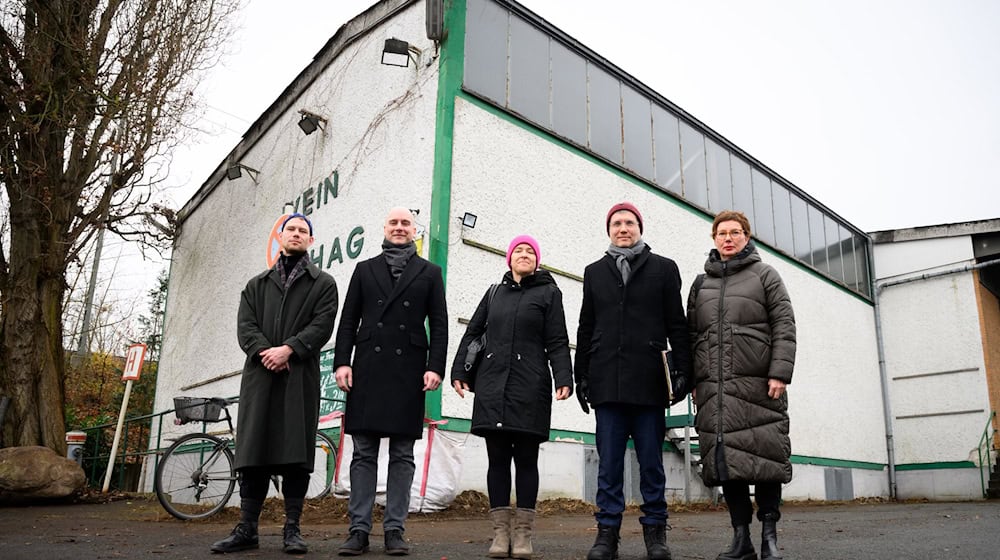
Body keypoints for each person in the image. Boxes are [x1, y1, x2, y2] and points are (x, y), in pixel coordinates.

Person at [212, 212, 340, 554]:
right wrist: (265, 352)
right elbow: (246, 326)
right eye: (291, 230)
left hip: (299, 377)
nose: (296, 235)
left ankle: (292, 530)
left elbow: (323, 324)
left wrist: (289, 350)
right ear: (280, 238)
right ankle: (247, 529)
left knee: (296, 453)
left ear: (311, 241)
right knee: (253, 451)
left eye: (303, 231)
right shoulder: (256, 285)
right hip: (259, 377)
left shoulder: (323, 283)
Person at [574, 202, 692, 560]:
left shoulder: (663, 269)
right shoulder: (595, 272)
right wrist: (582, 377)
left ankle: (656, 535)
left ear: (640, 227)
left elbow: (677, 323)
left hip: (649, 383)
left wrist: (684, 370)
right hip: (607, 383)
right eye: (616, 223)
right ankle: (606, 535)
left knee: (651, 463)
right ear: (608, 230)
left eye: (629, 222)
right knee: (608, 465)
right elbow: (586, 326)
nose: (623, 228)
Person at [333, 207, 448, 556]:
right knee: (363, 452)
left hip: (409, 370)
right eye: (394, 223)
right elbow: (349, 318)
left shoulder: (429, 272)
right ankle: (358, 530)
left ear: (415, 230)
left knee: (402, 454)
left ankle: (395, 530)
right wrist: (342, 362)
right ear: (384, 228)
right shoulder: (364, 269)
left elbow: (440, 324)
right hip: (367, 367)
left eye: (405, 224)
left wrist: (435, 367)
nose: (399, 228)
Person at [450, 235, 574, 559]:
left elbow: (558, 340)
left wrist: (564, 377)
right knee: (498, 459)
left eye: (530, 251)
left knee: (527, 460)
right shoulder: (494, 293)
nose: (524, 254)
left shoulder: (549, 293)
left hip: (530, 386)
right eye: (518, 250)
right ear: (508, 258)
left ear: (537, 260)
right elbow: (472, 333)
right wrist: (459, 373)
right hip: (492, 386)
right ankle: (500, 533)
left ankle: (523, 535)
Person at [687, 210, 795, 560]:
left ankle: (769, 537)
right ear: (714, 238)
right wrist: (692, 379)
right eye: (722, 233)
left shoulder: (766, 275)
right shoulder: (701, 285)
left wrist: (780, 372)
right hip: (715, 389)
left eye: (735, 232)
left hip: (760, 386)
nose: (728, 238)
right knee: (726, 463)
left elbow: (784, 324)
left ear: (747, 236)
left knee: (765, 460)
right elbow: (692, 335)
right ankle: (741, 539)